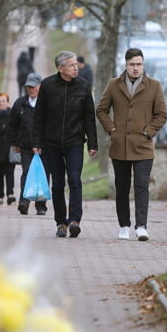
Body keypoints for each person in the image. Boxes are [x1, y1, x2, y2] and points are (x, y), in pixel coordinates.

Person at [96, 48, 167, 241]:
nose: (136, 68)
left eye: (139, 64)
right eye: (132, 64)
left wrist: (149, 132)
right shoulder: (113, 85)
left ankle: (141, 226)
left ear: (143, 65)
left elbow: (161, 114)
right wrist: (112, 129)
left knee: (141, 186)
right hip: (120, 146)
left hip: (143, 146)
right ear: (126, 65)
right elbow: (101, 110)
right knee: (122, 187)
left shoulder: (154, 85)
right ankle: (124, 225)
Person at [33, 51, 98, 238]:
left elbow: (89, 118)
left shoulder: (84, 86)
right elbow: (39, 116)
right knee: (57, 184)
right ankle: (61, 222)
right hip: (51, 143)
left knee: (75, 180)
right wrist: (37, 141)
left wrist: (92, 143)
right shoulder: (47, 85)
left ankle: (75, 220)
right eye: (71, 65)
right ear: (60, 68)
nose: (76, 67)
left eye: (76, 64)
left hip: (75, 142)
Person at [9, 72, 50, 215]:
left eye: (33, 87)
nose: (30, 90)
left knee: (43, 175)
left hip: (44, 147)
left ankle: (41, 206)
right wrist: (15, 142)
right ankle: (24, 202)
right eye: (28, 87)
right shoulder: (20, 103)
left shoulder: (47, 102)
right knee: (26, 173)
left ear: (40, 86)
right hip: (26, 146)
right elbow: (13, 124)